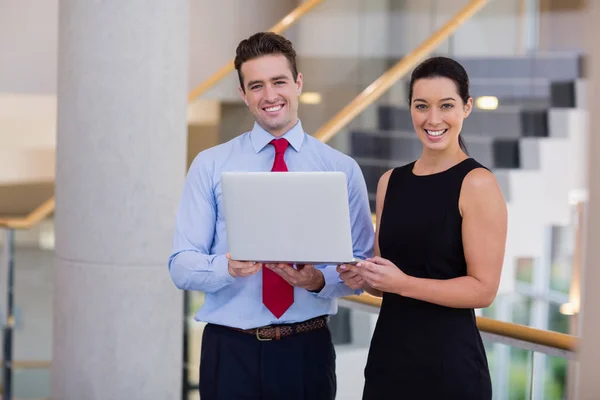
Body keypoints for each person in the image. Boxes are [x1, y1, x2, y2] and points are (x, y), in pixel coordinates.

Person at [168, 32, 374, 400]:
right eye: (256, 86)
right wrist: (227, 267)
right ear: (243, 94)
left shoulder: (340, 168)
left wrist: (316, 280)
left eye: (279, 81)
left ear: (298, 84)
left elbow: (360, 269)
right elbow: (181, 266)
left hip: (306, 351)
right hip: (230, 351)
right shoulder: (210, 165)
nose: (270, 96)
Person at [338, 56, 508, 399]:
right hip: (390, 360)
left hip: (449, 367)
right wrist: (366, 277)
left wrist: (403, 283)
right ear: (411, 109)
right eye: (421, 106)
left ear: (467, 107)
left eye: (446, 105)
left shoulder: (477, 184)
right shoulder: (391, 182)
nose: (433, 119)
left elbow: (483, 291)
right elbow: (386, 284)